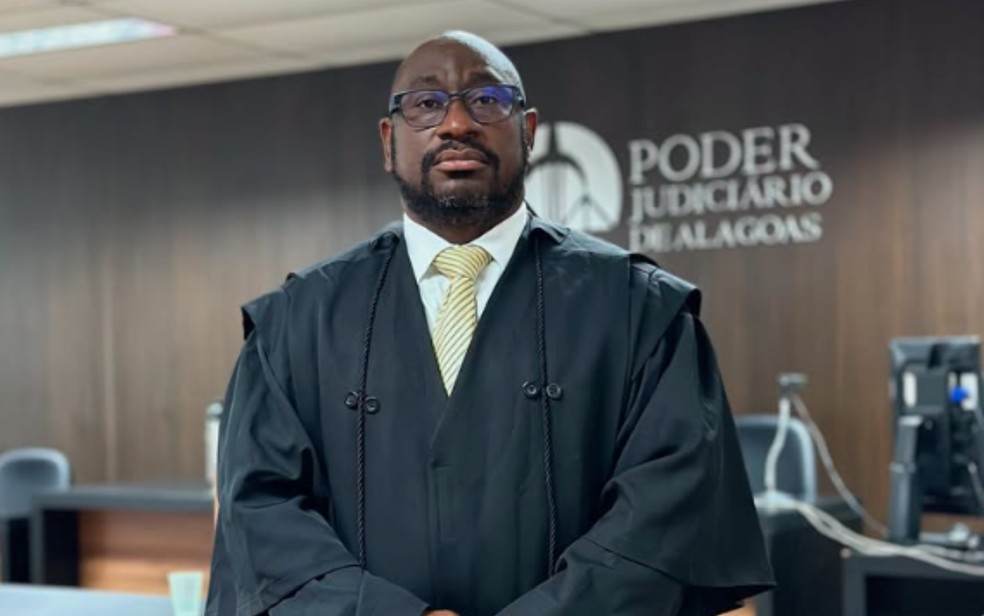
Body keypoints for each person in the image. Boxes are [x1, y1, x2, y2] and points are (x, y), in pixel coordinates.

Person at [206, 30, 773, 616]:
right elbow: (262, 515)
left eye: (486, 100)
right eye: (426, 103)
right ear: (388, 141)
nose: (456, 124)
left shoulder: (640, 309)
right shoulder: (297, 321)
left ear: (528, 132)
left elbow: (665, 515)